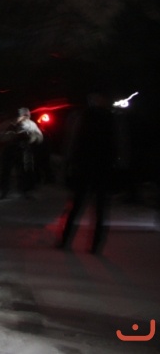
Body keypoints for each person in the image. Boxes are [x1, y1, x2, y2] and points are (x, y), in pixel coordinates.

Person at [56, 90, 118, 254]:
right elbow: (118, 144)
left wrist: (68, 163)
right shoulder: (112, 118)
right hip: (103, 168)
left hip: (84, 166)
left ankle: (65, 240)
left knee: (77, 205)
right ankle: (95, 246)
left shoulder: (83, 116)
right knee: (100, 209)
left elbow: (72, 142)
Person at [0, 107, 43, 199]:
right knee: (6, 170)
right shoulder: (8, 124)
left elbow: (39, 136)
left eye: (26, 115)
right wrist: (11, 136)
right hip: (9, 149)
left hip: (23, 149)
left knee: (23, 170)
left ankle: (25, 190)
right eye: (22, 115)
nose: (24, 117)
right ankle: (4, 191)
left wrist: (31, 138)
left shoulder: (30, 124)